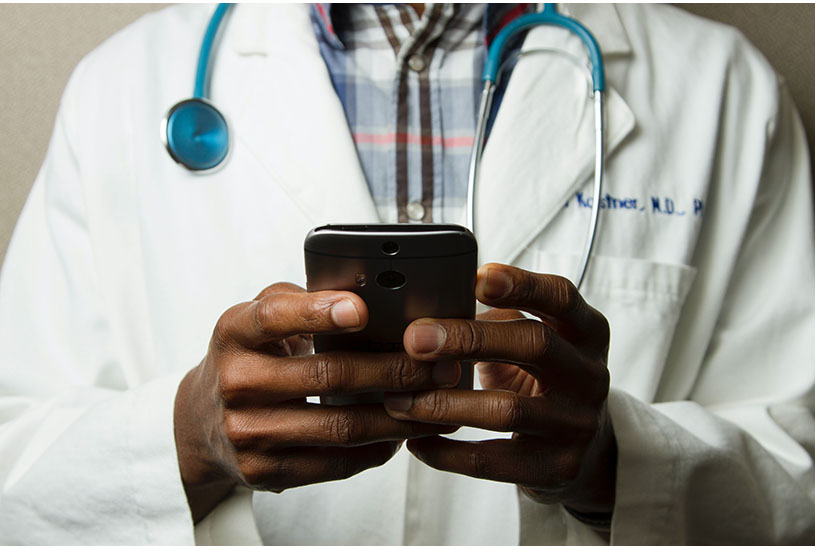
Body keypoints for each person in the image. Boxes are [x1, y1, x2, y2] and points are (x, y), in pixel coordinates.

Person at [0, 3, 813, 545]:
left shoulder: (722, 88)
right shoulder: (122, 87)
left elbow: (798, 473)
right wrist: (187, 439)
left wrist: (615, 463)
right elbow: (15, 466)